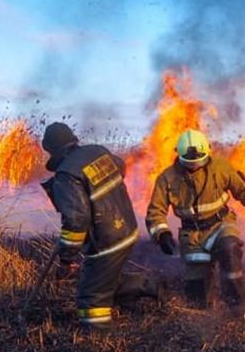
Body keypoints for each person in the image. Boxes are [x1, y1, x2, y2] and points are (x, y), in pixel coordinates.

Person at [40, 122, 163, 330]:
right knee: (102, 279)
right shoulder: (98, 151)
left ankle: (98, 335)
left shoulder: (66, 176)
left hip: (107, 240)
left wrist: (66, 257)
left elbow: (76, 219)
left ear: (53, 150)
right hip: (127, 228)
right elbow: (121, 168)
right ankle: (145, 284)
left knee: (91, 296)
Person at [145, 129, 245, 310]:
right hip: (192, 236)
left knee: (230, 249)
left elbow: (244, 191)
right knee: (197, 292)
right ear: (179, 155)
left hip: (221, 224)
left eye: (199, 162)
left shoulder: (221, 167)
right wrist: (161, 234)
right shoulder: (167, 179)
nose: (195, 166)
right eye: (190, 163)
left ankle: (238, 307)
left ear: (208, 151)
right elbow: (155, 211)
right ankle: (207, 319)